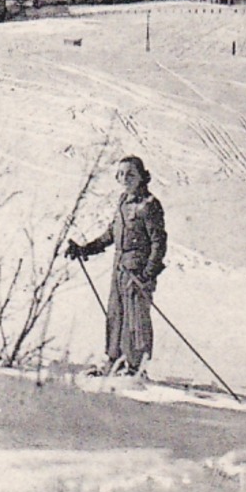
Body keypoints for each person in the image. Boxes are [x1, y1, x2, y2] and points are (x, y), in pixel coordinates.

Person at [65, 155, 167, 376]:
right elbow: (111, 233)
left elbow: (159, 243)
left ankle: (136, 367)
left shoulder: (149, 205)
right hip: (119, 268)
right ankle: (115, 361)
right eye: (121, 174)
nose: (125, 178)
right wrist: (85, 249)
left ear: (142, 176)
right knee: (116, 314)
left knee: (136, 319)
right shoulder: (123, 201)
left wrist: (149, 273)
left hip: (137, 271)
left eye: (130, 174)